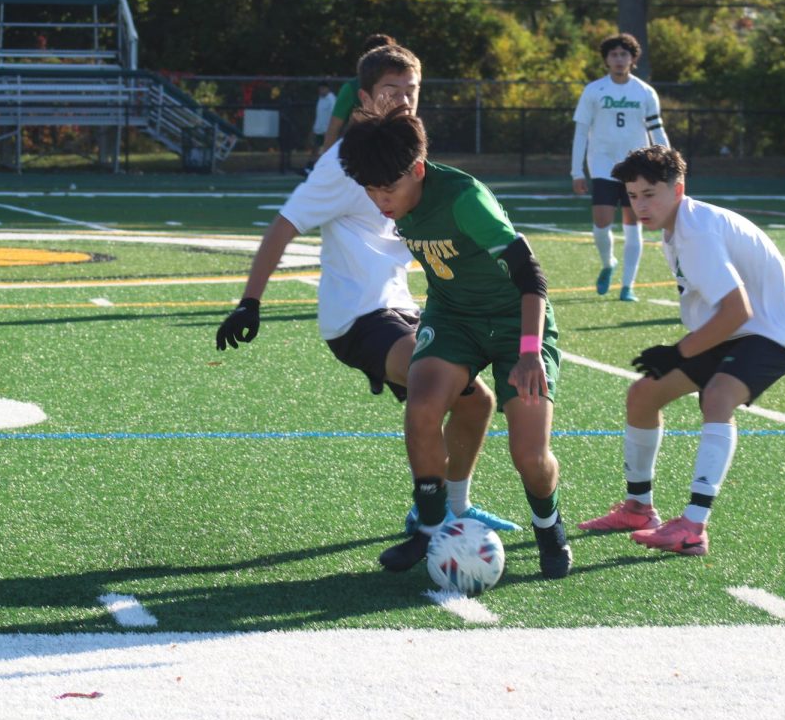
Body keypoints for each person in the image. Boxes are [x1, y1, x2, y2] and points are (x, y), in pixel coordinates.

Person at [216, 44, 519, 536]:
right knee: (431, 378)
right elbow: (283, 225)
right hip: (357, 317)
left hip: (401, 305)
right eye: (389, 90)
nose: (402, 100)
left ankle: (454, 508)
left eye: (410, 91)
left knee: (476, 402)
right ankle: (430, 517)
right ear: (364, 96)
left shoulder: (406, 150)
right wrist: (250, 302)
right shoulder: (344, 162)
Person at [339, 101, 571, 579]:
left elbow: (531, 276)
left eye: (390, 188)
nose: (382, 200)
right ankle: (427, 527)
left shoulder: (465, 197)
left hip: (514, 321)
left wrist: (529, 354)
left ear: (419, 170)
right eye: (371, 189)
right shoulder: (398, 189)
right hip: (454, 317)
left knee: (529, 456)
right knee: (422, 406)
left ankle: (549, 526)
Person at [579, 146, 785, 556]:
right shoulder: (680, 226)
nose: (640, 205)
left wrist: (678, 351)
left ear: (678, 189)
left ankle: (693, 526)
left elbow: (738, 309)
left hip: (774, 328)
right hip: (736, 328)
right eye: (633, 196)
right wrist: (681, 352)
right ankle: (638, 507)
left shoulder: (697, 232)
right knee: (643, 395)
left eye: (650, 193)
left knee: (717, 396)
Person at [571, 33, 669, 302]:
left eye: (623, 54)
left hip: (636, 168)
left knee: (632, 223)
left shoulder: (645, 92)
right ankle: (608, 264)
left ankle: (628, 286)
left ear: (633, 59)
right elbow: (581, 133)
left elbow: (656, 130)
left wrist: (668, 163)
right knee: (601, 223)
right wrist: (577, 171)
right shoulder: (593, 91)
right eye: (613, 54)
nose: (618, 59)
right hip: (602, 165)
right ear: (606, 59)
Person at [318, 34, 396, 156]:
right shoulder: (351, 88)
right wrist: (324, 163)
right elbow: (333, 129)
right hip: (358, 157)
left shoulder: (400, 87)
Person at [306, 81, 336, 170]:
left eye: (323, 89)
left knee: (325, 151)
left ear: (327, 89)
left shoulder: (332, 100)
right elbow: (319, 116)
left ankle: (323, 169)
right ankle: (309, 168)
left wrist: (330, 130)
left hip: (326, 131)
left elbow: (334, 116)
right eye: (319, 89)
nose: (321, 91)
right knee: (314, 150)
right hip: (318, 130)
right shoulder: (320, 99)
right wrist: (313, 130)